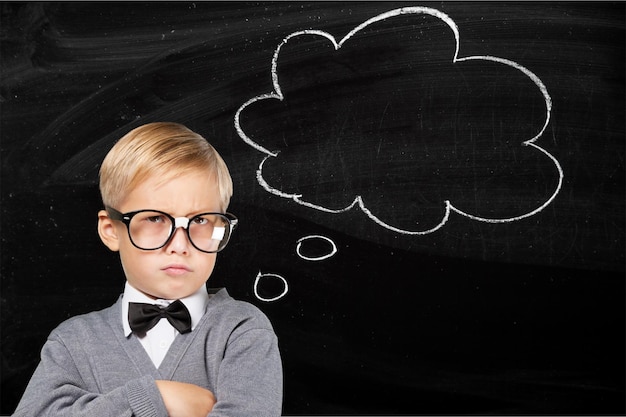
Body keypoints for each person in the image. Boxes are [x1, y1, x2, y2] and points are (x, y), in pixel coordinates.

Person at [12, 122, 283, 417]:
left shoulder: (242, 331)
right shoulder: (72, 341)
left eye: (202, 220)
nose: (180, 245)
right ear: (111, 230)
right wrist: (154, 397)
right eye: (155, 219)